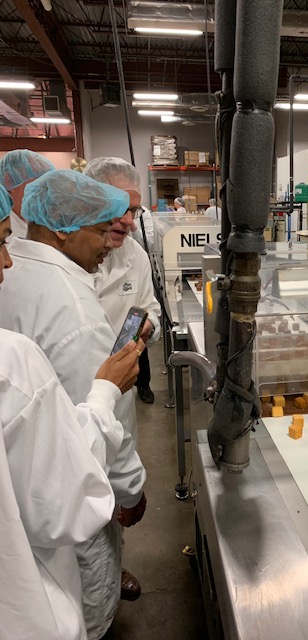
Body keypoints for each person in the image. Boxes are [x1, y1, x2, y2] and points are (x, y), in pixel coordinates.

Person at [0, 170, 147, 640]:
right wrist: (131, 490)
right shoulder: (75, 312)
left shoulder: (16, 272)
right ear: (63, 226)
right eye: (103, 230)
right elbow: (105, 417)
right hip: (68, 507)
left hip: (19, 507)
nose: (111, 243)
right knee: (87, 606)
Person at [83, 157, 161, 409]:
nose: (128, 221)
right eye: (119, 208)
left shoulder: (135, 254)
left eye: (133, 211)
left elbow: (150, 306)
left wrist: (149, 324)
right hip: (75, 392)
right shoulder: (67, 257)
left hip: (121, 393)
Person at [0, 148, 54, 238]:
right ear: (9, 180)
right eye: (37, 184)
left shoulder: (34, 223)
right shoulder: (5, 230)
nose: (45, 194)